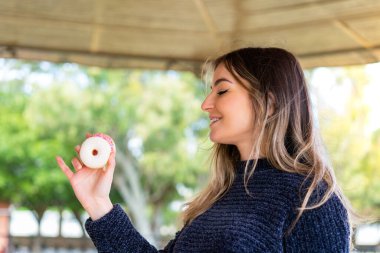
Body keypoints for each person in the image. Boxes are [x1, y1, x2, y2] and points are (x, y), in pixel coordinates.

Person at [56, 47, 352, 252]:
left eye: (222, 90)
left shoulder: (312, 199)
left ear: (269, 102)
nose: (206, 104)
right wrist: (98, 204)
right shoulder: (220, 196)